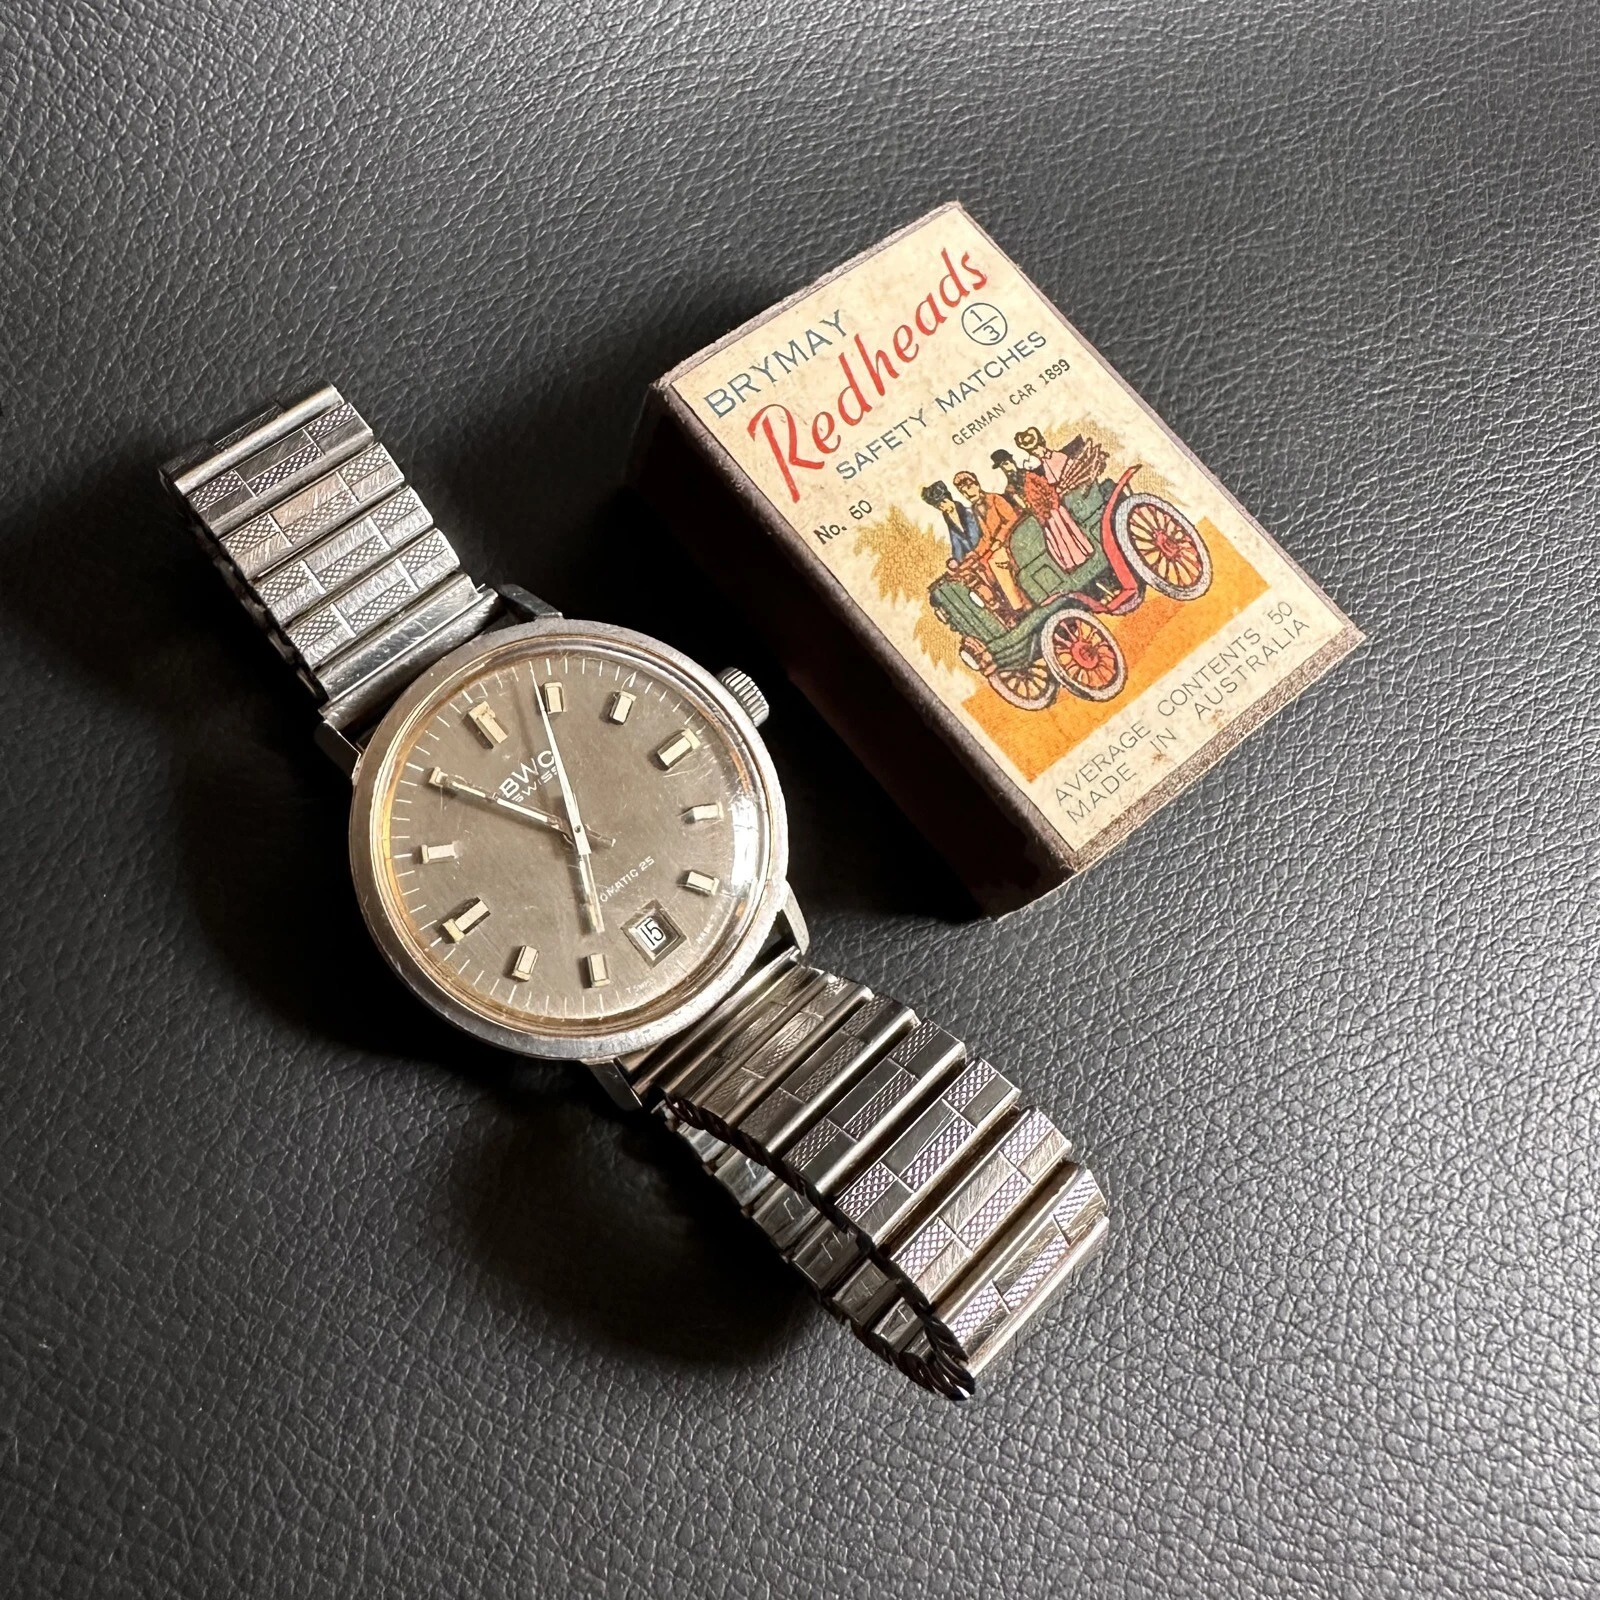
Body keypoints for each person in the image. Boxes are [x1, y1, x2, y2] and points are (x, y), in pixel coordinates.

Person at [1014, 427, 1096, 569]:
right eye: (1033, 451)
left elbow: (1069, 475)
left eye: (1037, 449)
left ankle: (1082, 551)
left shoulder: (1057, 457)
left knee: (1062, 523)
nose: (1036, 452)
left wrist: (1058, 491)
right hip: (1056, 503)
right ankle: (1073, 558)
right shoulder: (1038, 469)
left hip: (1068, 499)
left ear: (1041, 444)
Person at [952, 470, 1029, 617]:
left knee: (995, 562)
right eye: (963, 491)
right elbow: (986, 537)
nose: (967, 493)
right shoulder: (975, 509)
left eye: (969, 487)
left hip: (1014, 539)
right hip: (1000, 546)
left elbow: (1012, 519)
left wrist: (999, 540)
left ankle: (1018, 606)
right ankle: (1004, 606)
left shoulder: (995, 499)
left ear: (977, 485)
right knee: (982, 567)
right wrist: (975, 554)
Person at [920, 480, 982, 563]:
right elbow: (956, 544)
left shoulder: (969, 512)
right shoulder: (949, 521)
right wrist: (956, 561)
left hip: (983, 551)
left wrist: (974, 553)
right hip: (973, 558)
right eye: (939, 506)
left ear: (949, 498)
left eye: (944, 502)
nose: (943, 507)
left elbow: (977, 536)